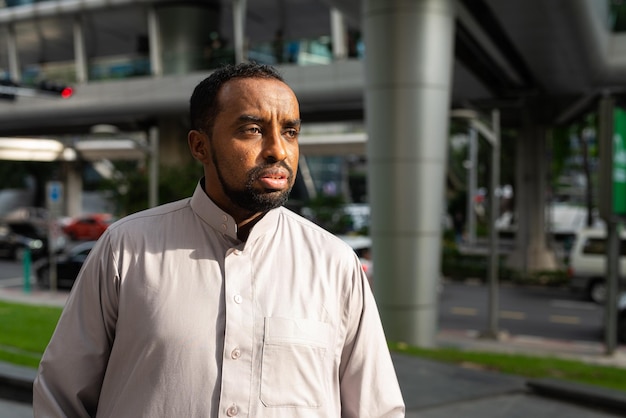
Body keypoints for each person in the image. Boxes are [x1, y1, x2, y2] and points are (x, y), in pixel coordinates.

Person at [33, 62, 405, 417]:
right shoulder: (126, 249)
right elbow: (60, 396)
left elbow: (376, 409)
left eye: (290, 131)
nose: (278, 149)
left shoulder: (334, 263)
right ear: (200, 146)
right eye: (253, 130)